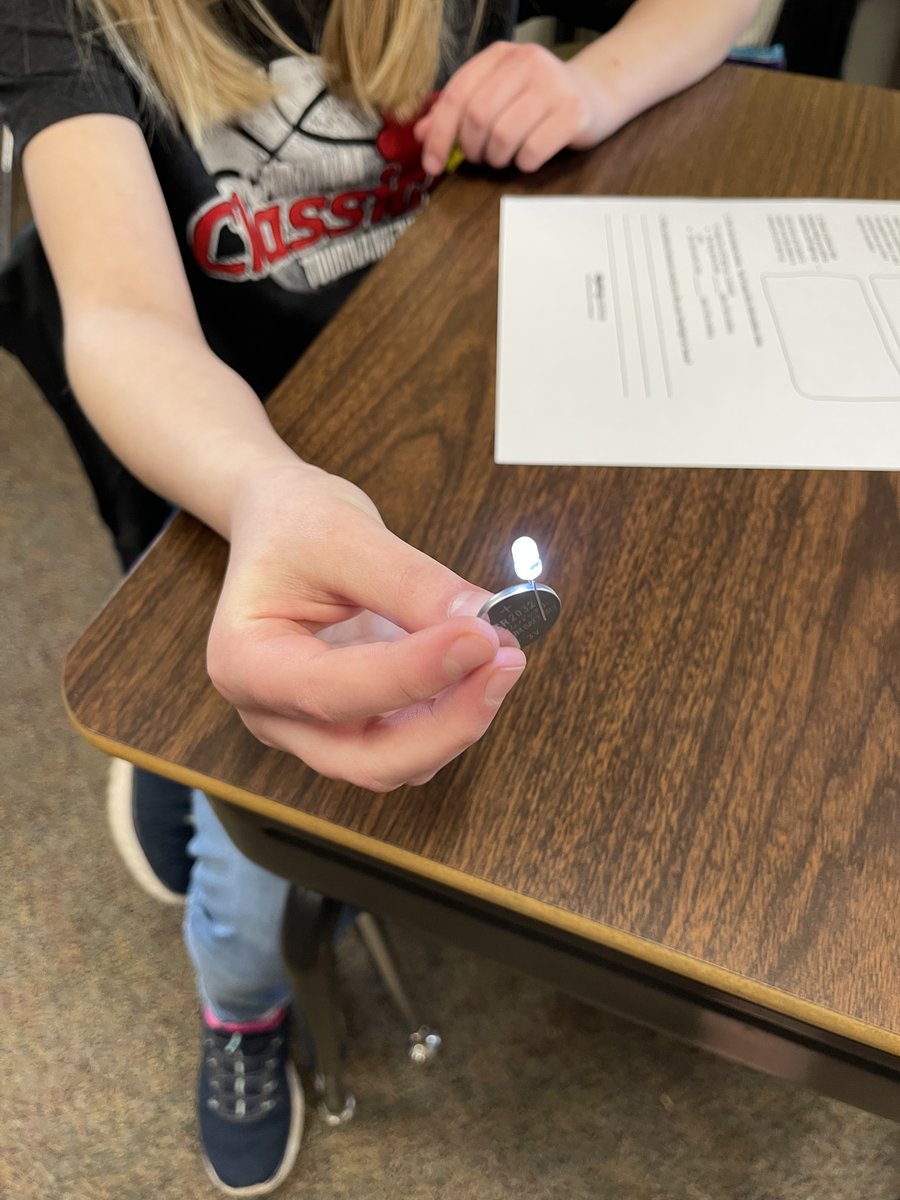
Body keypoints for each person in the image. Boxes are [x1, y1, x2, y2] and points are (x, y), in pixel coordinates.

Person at [1, 0, 760, 1191]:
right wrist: (261, 492)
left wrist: (596, 82)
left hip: (440, 412)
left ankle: (171, 770)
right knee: (252, 861)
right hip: (221, 477)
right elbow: (117, 317)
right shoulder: (70, 22)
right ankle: (244, 1010)